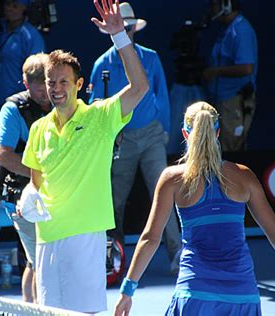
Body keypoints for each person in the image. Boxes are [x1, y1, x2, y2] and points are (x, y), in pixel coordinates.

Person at [20, 0, 150, 312]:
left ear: (80, 85)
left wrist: (120, 37)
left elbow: (140, 87)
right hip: (47, 236)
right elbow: (36, 181)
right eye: (51, 82)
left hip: (85, 237)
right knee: (51, 312)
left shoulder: (100, 118)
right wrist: (28, 195)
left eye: (63, 81)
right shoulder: (38, 128)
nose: (56, 88)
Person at [114, 101, 275, 316]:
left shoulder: (171, 179)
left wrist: (127, 291)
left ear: (185, 134)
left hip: (194, 295)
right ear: (218, 132)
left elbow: (150, 239)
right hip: (242, 297)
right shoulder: (245, 176)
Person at [88, 2, 182, 274]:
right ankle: (112, 258)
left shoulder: (151, 57)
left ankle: (177, 254)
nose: (126, 32)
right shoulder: (101, 64)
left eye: (129, 28)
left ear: (134, 29)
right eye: (122, 27)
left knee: (164, 193)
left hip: (152, 136)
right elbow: (95, 105)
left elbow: (162, 96)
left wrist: (163, 132)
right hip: (120, 140)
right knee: (114, 200)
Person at [0, 53, 51, 303]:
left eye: (47, 86)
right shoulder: (12, 110)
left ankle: (30, 306)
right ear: (26, 85)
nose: (45, 94)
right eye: (38, 90)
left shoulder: (63, 98)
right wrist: (41, 174)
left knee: (38, 258)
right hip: (19, 196)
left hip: (55, 194)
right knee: (40, 259)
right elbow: (4, 156)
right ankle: (37, 309)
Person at [0, 0, 45, 136]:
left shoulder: (30, 35)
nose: (10, 9)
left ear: (24, 9)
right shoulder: (2, 36)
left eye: (15, 6)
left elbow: (39, 69)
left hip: (23, 108)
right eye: (7, 5)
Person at [203, 0, 258, 151]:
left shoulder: (241, 30)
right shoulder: (227, 29)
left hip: (235, 100)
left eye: (214, 5)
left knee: (231, 147)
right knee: (220, 146)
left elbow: (247, 68)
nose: (211, 9)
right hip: (222, 99)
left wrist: (215, 71)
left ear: (226, 5)